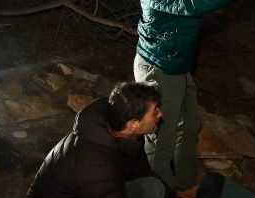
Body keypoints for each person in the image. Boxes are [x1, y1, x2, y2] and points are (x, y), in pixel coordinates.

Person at [129, 0, 255, 194]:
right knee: (162, 136)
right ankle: (160, 191)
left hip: (179, 65)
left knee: (189, 125)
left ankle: (185, 186)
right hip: (159, 68)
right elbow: (190, 4)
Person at [26, 81, 176, 198]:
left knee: (152, 187)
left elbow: (141, 172)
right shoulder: (95, 162)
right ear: (133, 125)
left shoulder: (127, 135)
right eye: (155, 112)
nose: (160, 114)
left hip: (93, 190)